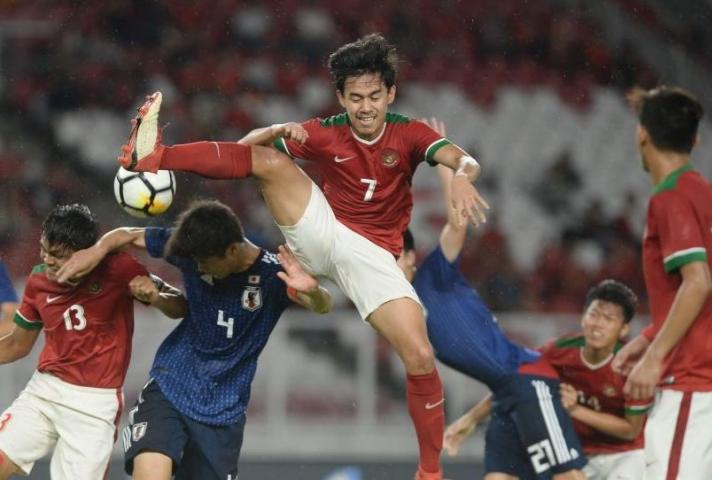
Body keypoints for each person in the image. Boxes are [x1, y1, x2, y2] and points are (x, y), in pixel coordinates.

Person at [117, 34, 487, 479]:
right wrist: (276, 132)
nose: (365, 107)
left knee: (420, 356)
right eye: (355, 98)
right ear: (341, 98)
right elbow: (249, 150)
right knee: (271, 163)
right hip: (322, 230)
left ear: (390, 94)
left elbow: (462, 160)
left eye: (374, 96)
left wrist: (463, 175)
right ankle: (154, 157)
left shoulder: (410, 133)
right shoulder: (324, 130)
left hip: (373, 256)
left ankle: (430, 472)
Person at [57, 199, 332, 480]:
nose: (199, 268)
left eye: (206, 263)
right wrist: (97, 249)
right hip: (170, 387)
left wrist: (314, 291)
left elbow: (322, 307)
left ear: (233, 250)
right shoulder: (190, 249)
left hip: (223, 412)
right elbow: (127, 235)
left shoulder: (274, 276)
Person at [395, 140, 585, 479]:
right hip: (504, 394)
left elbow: (457, 224)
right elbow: (497, 374)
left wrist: (443, 166)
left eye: (393, 253)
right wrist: (469, 419)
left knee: (566, 477)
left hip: (528, 381)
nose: (387, 261)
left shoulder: (431, 276)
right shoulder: (399, 309)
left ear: (410, 257)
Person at [0, 204, 185, 480]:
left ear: (85, 252)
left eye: (58, 255)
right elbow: (17, 344)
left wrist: (156, 298)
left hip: (94, 406)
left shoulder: (120, 268)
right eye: (44, 250)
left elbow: (180, 306)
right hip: (44, 391)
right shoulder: (38, 281)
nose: (47, 260)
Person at [611, 86, 712, 479]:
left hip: (696, 379)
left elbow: (698, 284)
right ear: (695, 139)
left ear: (641, 134)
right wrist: (648, 338)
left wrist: (654, 356)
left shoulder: (671, 197)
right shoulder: (710, 197)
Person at [441, 279, 649, 480]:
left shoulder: (633, 366)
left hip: (625, 455)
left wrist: (576, 410)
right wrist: (471, 418)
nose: (598, 325)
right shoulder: (559, 351)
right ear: (583, 317)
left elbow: (630, 430)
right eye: (594, 314)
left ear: (623, 329)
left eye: (609, 319)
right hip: (577, 455)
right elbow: (516, 382)